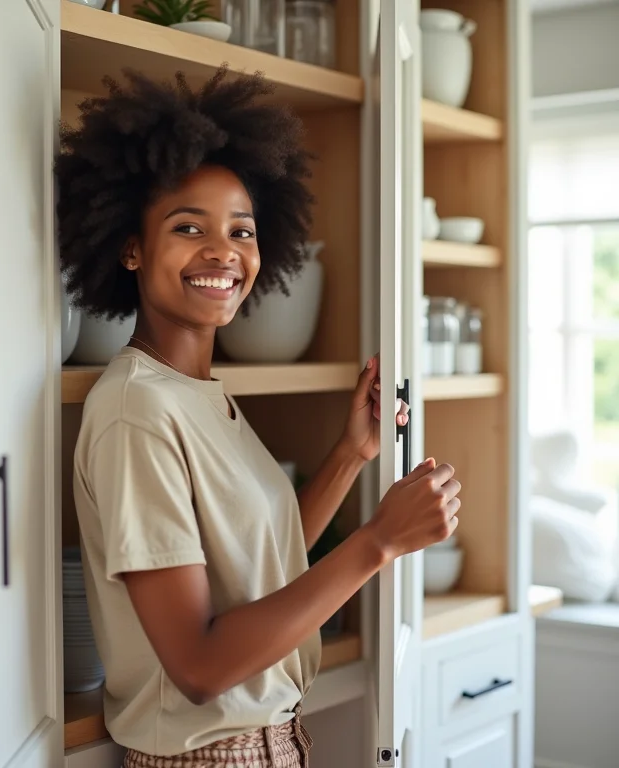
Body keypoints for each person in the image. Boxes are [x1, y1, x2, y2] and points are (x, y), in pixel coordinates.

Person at [55, 66, 461, 768]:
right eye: (189, 228)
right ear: (130, 247)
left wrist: (347, 457)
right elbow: (200, 664)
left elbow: (255, 568)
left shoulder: (198, 394)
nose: (223, 252)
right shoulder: (136, 410)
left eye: (241, 231)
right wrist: (377, 542)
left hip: (275, 743)